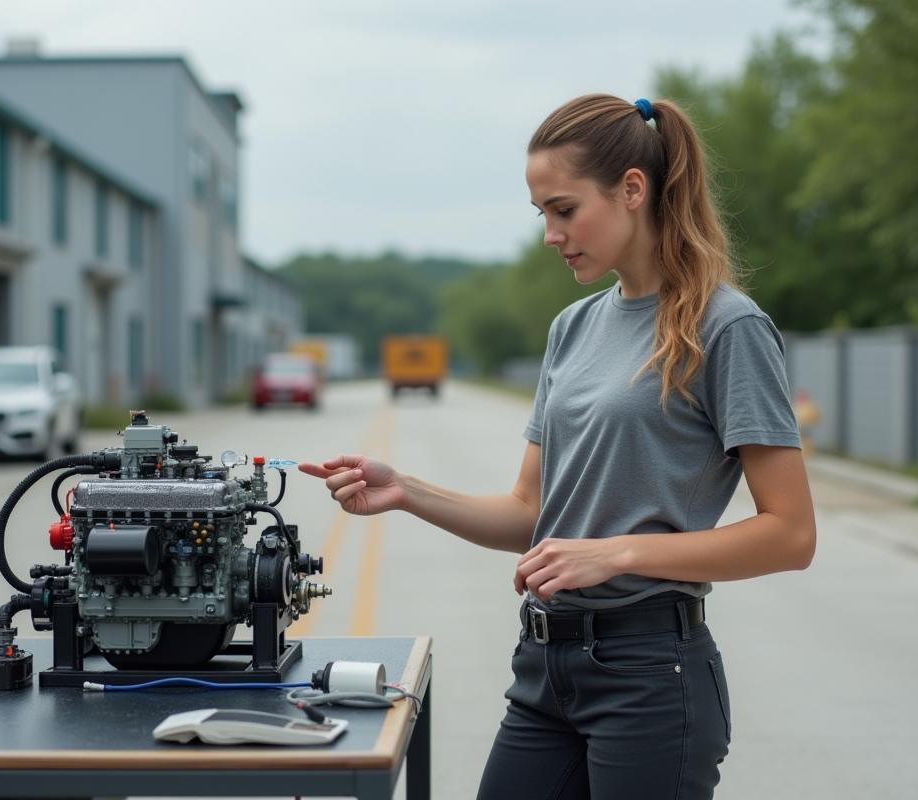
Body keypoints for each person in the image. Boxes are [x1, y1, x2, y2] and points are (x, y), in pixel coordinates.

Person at [298, 94, 816, 800]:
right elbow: (529, 512)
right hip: (546, 666)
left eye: (564, 209)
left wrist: (617, 553)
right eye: (542, 212)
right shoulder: (572, 327)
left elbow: (791, 534)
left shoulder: (726, 327)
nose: (550, 234)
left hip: (648, 675)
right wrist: (407, 491)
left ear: (632, 189)